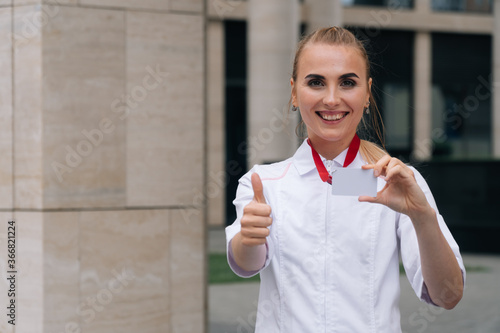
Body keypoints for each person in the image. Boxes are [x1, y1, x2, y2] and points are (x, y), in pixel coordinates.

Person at [225, 27, 464, 332]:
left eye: (348, 83)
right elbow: (247, 263)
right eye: (316, 82)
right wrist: (249, 237)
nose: (332, 98)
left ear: (367, 93)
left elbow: (448, 296)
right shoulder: (263, 182)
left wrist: (422, 217)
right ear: (295, 93)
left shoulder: (398, 182)